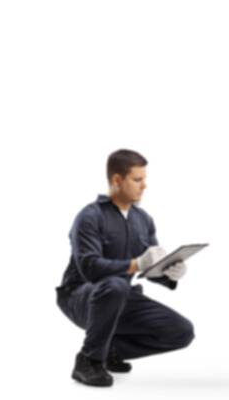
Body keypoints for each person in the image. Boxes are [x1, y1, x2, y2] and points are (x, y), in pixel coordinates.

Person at [55, 149, 195, 387]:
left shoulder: (143, 220)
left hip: (119, 296)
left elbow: (150, 267)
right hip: (80, 296)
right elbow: (90, 268)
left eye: (145, 180)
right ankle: (89, 359)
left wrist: (168, 273)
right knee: (116, 285)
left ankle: (110, 350)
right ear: (117, 180)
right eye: (137, 180)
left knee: (181, 331)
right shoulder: (90, 217)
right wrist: (136, 264)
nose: (144, 186)